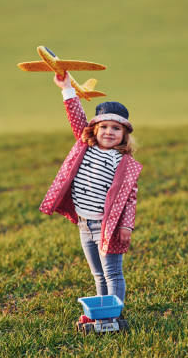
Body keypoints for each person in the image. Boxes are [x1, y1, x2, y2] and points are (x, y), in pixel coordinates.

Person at [39, 72, 143, 322]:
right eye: (103, 127)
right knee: (98, 274)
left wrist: (127, 225)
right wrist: (66, 88)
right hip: (84, 225)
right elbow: (76, 117)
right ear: (94, 129)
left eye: (115, 128)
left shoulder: (124, 162)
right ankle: (102, 313)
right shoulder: (86, 145)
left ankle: (113, 316)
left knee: (112, 274)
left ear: (124, 134)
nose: (108, 132)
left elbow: (130, 197)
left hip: (107, 226)